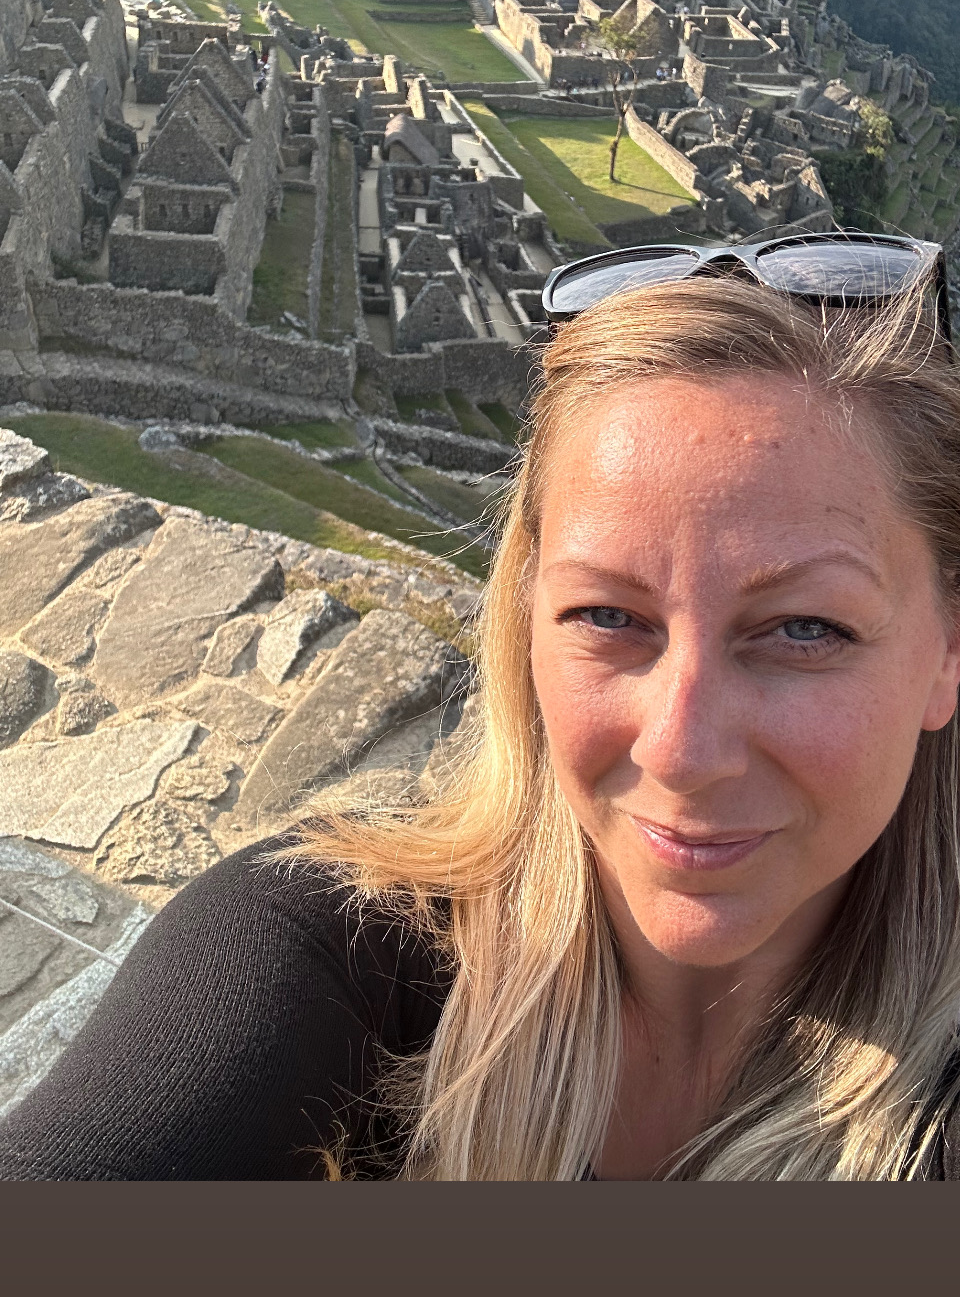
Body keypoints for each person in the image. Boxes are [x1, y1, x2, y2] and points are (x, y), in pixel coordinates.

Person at [5, 233, 960, 1182]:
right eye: (608, 616)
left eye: (805, 630)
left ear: (947, 649)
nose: (680, 749)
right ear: (527, 612)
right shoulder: (318, 953)